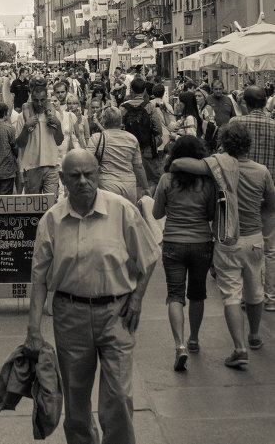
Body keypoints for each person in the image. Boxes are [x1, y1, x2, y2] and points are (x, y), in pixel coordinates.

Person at [25, 150, 159, 444]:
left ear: (98, 174)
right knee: (76, 401)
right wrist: (33, 329)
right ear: (62, 179)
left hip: (117, 314)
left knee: (119, 397)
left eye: (89, 174)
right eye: (75, 176)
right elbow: (38, 279)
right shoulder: (51, 221)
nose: (84, 181)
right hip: (70, 316)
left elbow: (149, 258)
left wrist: (136, 300)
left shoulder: (121, 209)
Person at [171, 123, 275, 368]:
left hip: (227, 239)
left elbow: (179, 165)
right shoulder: (262, 171)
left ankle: (239, 348)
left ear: (225, 144)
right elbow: (271, 204)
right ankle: (255, 335)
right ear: (248, 145)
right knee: (255, 290)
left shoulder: (219, 166)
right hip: (254, 239)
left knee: (231, 294)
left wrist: (207, 161)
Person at [152, 136, 215, 371]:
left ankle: (179, 345)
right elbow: (211, 214)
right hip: (201, 242)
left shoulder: (167, 180)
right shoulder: (207, 182)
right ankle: (194, 339)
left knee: (175, 295)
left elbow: (157, 213)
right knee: (198, 294)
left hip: (173, 243)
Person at [229, 86, 275, 311]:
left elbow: (224, 155)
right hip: (270, 190)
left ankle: (249, 296)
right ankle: (270, 298)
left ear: (245, 103)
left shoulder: (236, 124)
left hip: (242, 193)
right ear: (265, 102)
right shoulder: (274, 126)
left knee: (243, 244)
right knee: (270, 248)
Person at [86, 106, 148, 204]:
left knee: (109, 217)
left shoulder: (97, 138)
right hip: (129, 185)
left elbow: (86, 161)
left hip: (107, 183)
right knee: (127, 217)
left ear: (104, 120)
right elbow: (138, 166)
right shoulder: (132, 138)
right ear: (120, 120)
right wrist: (145, 188)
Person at [14, 77, 64, 197]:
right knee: (34, 207)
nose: (40, 103)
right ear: (31, 98)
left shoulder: (54, 114)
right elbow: (19, 144)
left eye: (42, 100)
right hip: (31, 166)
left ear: (47, 98)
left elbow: (59, 141)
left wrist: (58, 125)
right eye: (36, 100)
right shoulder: (22, 116)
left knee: (51, 204)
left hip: (51, 165)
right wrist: (26, 127)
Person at [121, 76, 163, 190]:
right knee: (154, 178)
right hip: (147, 148)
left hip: (128, 149)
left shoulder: (123, 107)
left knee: (132, 179)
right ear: (144, 90)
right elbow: (158, 129)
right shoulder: (149, 106)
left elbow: (120, 128)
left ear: (131, 90)